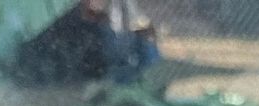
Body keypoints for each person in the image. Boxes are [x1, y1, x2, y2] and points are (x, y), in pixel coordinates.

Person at [11, 0, 160, 87]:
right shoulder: (130, 48)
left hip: (86, 53)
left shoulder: (130, 50)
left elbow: (103, 26)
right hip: (84, 60)